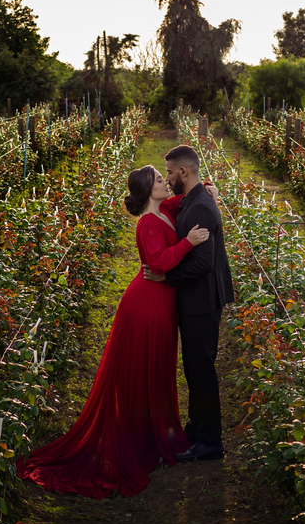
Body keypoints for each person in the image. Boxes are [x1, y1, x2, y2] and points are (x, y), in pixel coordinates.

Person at [17, 165, 210, 498]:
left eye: (165, 178)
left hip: (162, 303)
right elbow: (159, 262)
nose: (166, 183)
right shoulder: (147, 224)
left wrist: (207, 187)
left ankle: (154, 432)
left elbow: (185, 198)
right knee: (144, 368)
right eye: (160, 181)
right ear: (148, 190)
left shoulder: (164, 209)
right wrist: (189, 243)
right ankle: (141, 439)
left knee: (159, 365)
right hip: (145, 306)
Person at [143, 145, 235, 462]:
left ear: (184, 172)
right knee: (195, 368)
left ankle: (209, 442)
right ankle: (197, 430)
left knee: (201, 369)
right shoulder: (194, 199)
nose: (167, 179)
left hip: (203, 300)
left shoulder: (199, 208)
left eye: (169, 172)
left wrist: (166, 278)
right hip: (199, 298)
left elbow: (203, 264)